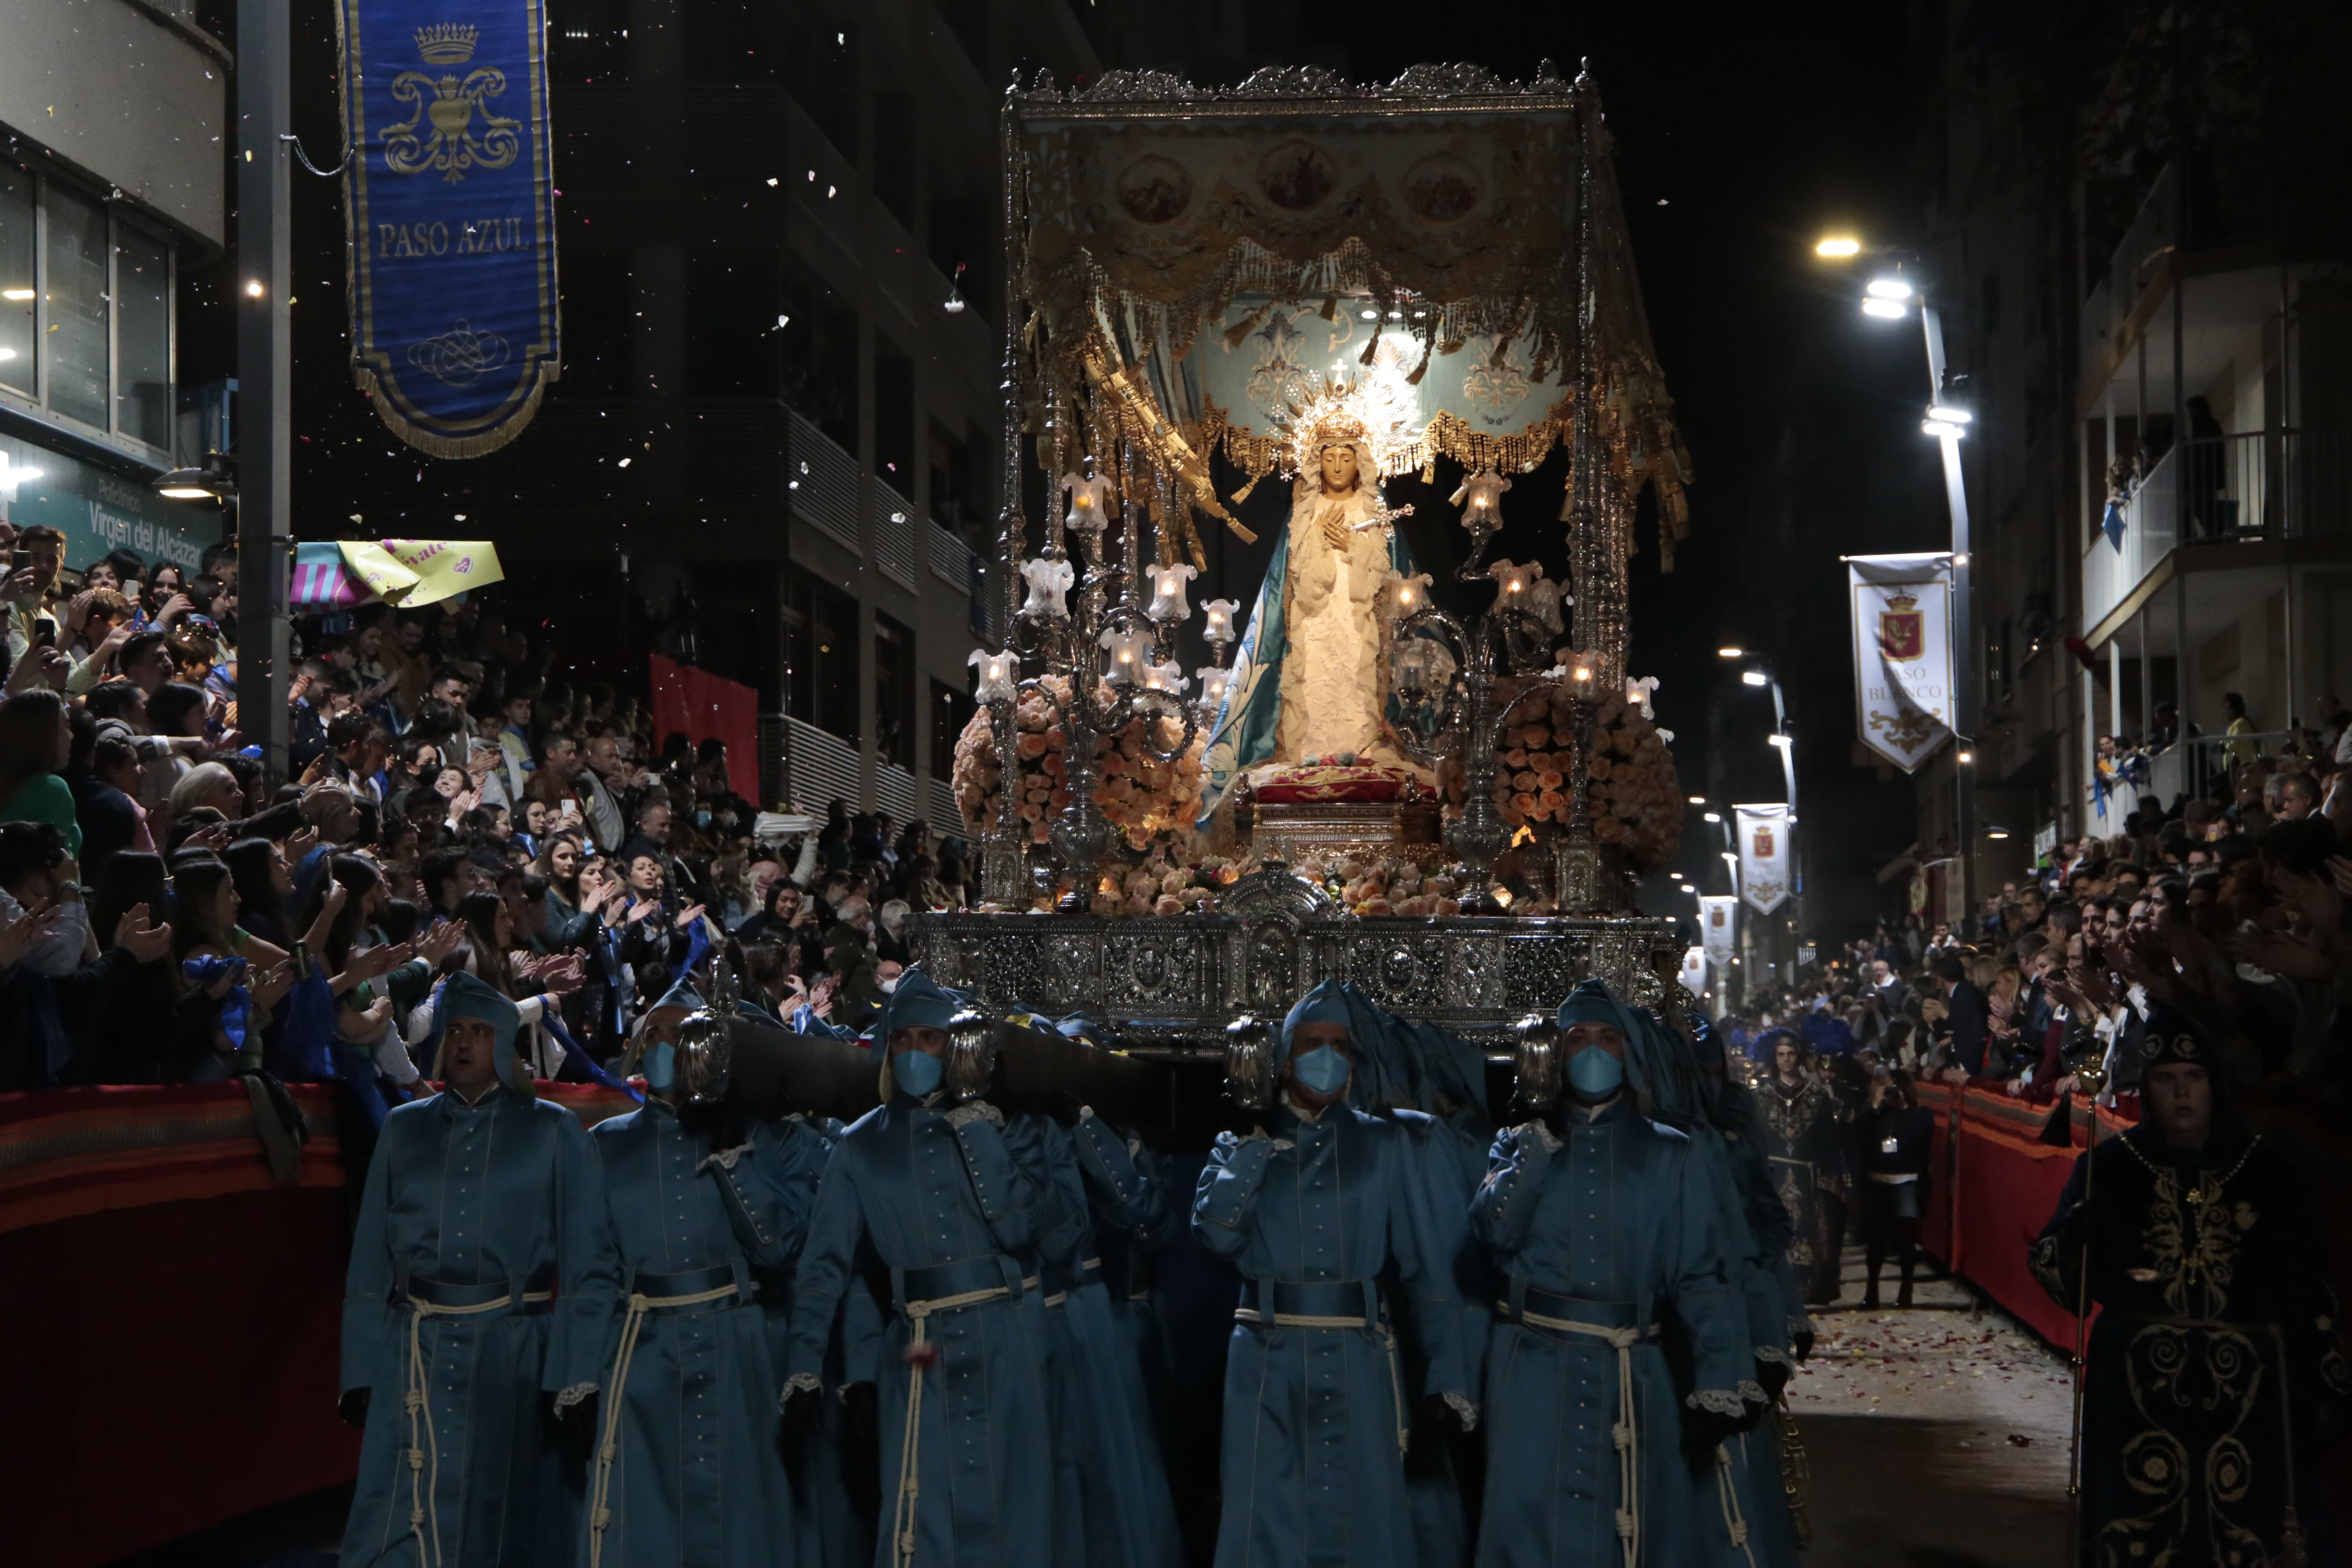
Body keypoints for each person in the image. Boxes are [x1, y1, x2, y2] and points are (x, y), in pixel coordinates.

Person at [2031, 1006, 2350, 1567]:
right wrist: (2074, 1238)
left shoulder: (2266, 1173)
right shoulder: (2110, 1167)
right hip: (2134, 1385)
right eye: (2164, 1080)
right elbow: (2060, 1274)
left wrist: (2321, 1381)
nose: (2180, 1094)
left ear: (2214, 1083)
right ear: (2147, 1087)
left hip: (2245, 1390)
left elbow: (2306, 1281)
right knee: (2138, 1531)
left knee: (2240, 1529)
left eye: (2193, 1078)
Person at [1470, 980, 1757, 1568]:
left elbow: (1702, 1275)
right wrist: (1538, 1140)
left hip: (1632, 1373)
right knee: (1528, 1528)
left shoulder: (1672, 1153)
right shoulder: (1518, 1145)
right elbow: (1492, 1236)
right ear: (1555, 1051)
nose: (1593, 1051)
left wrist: (1718, 1379)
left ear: (1629, 1051)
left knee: (1631, 1528)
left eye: (1607, 1038)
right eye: (1577, 1038)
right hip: (1530, 1373)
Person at [337, 973, 617, 1568]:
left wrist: (575, 1374)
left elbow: (588, 1266)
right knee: (399, 1515)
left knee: (505, 1519)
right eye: (457, 1029)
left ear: (507, 1045)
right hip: (414, 1352)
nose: (464, 1042)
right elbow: (368, 1259)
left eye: (482, 1032)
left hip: (514, 1354)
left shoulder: (553, 1129)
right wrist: (361, 1368)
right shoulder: (403, 1127)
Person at [1191, 979, 1472, 1568]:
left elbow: (1429, 1272)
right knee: (1264, 1517)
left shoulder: (1391, 1141)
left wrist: (1446, 1377)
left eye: (1339, 1046)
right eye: (1312, 1042)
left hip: (1359, 1356)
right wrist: (1251, 1144)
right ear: (1284, 1056)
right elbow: (1216, 1237)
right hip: (1264, 1358)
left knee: (1359, 1517)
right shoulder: (1240, 1144)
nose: (1326, 1056)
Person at [780, 969, 1054, 1567]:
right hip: (919, 1341)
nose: (911, 1051)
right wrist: (804, 1370)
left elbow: (1019, 1228)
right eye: (900, 1039)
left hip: (1007, 1335)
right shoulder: (859, 1144)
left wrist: (975, 1126)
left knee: (1014, 1501)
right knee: (919, 1503)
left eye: (927, 1039)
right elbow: (825, 1266)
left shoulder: (999, 1126)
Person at [579, 983, 832, 1568]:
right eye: (655, 1035)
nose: (666, 1046)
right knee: (646, 1515)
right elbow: (591, 1273)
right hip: (640, 1355)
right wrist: (579, 1375)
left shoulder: (755, 1135)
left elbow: (778, 1250)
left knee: (739, 1511)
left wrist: (732, 1158)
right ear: (639, 1051)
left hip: (734, 1344)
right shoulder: (602, 1146)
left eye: (681, 1035)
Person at [1756, 1029, 1852, 1304]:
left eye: (1791, 1055)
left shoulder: (1817, 1096)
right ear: (1775, 1058)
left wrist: (1826, 1181)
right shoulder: (1761, 1096)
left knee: (1809, 1233)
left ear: (1799, 1058)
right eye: (1781, 1055)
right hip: (1774, 1178)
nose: (1786, 1060)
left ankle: (1811, 1287)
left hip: (1807, 1179)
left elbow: (1829, 1142)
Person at [1857, 1069, 1933, 1309]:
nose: (1892, 1093)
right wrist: (1875, 1104)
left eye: (1895, 1088)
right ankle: (1872, 1291)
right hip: (1877, 1181)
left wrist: (1904, 1106)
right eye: (1888, 1087)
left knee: (1905, 1241)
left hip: (1906, 1182)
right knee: (1875, 1241)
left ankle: (1907, 1288)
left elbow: (1921, 1138)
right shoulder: (1877, 1114)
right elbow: (1856, 1130)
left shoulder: (1920, 1114)